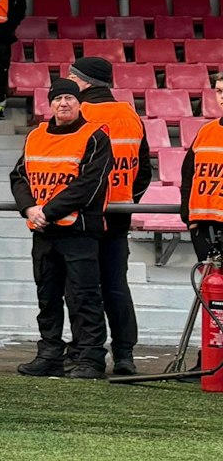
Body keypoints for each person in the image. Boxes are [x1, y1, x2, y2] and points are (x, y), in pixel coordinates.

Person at [9, 77, 113, 379]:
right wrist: (29, 208)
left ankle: (90, 358)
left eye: (69, 98)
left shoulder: (95, 135)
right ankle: (50, 354)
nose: (63, 103)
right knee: (48, 297)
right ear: (49, 104)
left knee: (84, 297)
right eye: (57, 99)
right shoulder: (36, 136)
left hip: (78, 232)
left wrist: (47, 212)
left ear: (79, 103)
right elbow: (19, 176)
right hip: (44, 232)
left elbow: (89, 184)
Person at [70, 54, 151, 377]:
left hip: (82, 216)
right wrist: (126, 198)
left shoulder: (78, 113)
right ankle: (124, 354)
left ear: (84, 81)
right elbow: (143, 171)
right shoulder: (130, 114)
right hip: (119, 213)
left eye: (72, 77)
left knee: (81, 287)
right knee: (116, 285)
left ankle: (86, 354)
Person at [179, 72, 223, 261]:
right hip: (204, 225)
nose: (222, 97)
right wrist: (189, 219)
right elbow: (188, 176)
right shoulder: (206, 131)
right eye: (220, 91)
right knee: (209, 287)